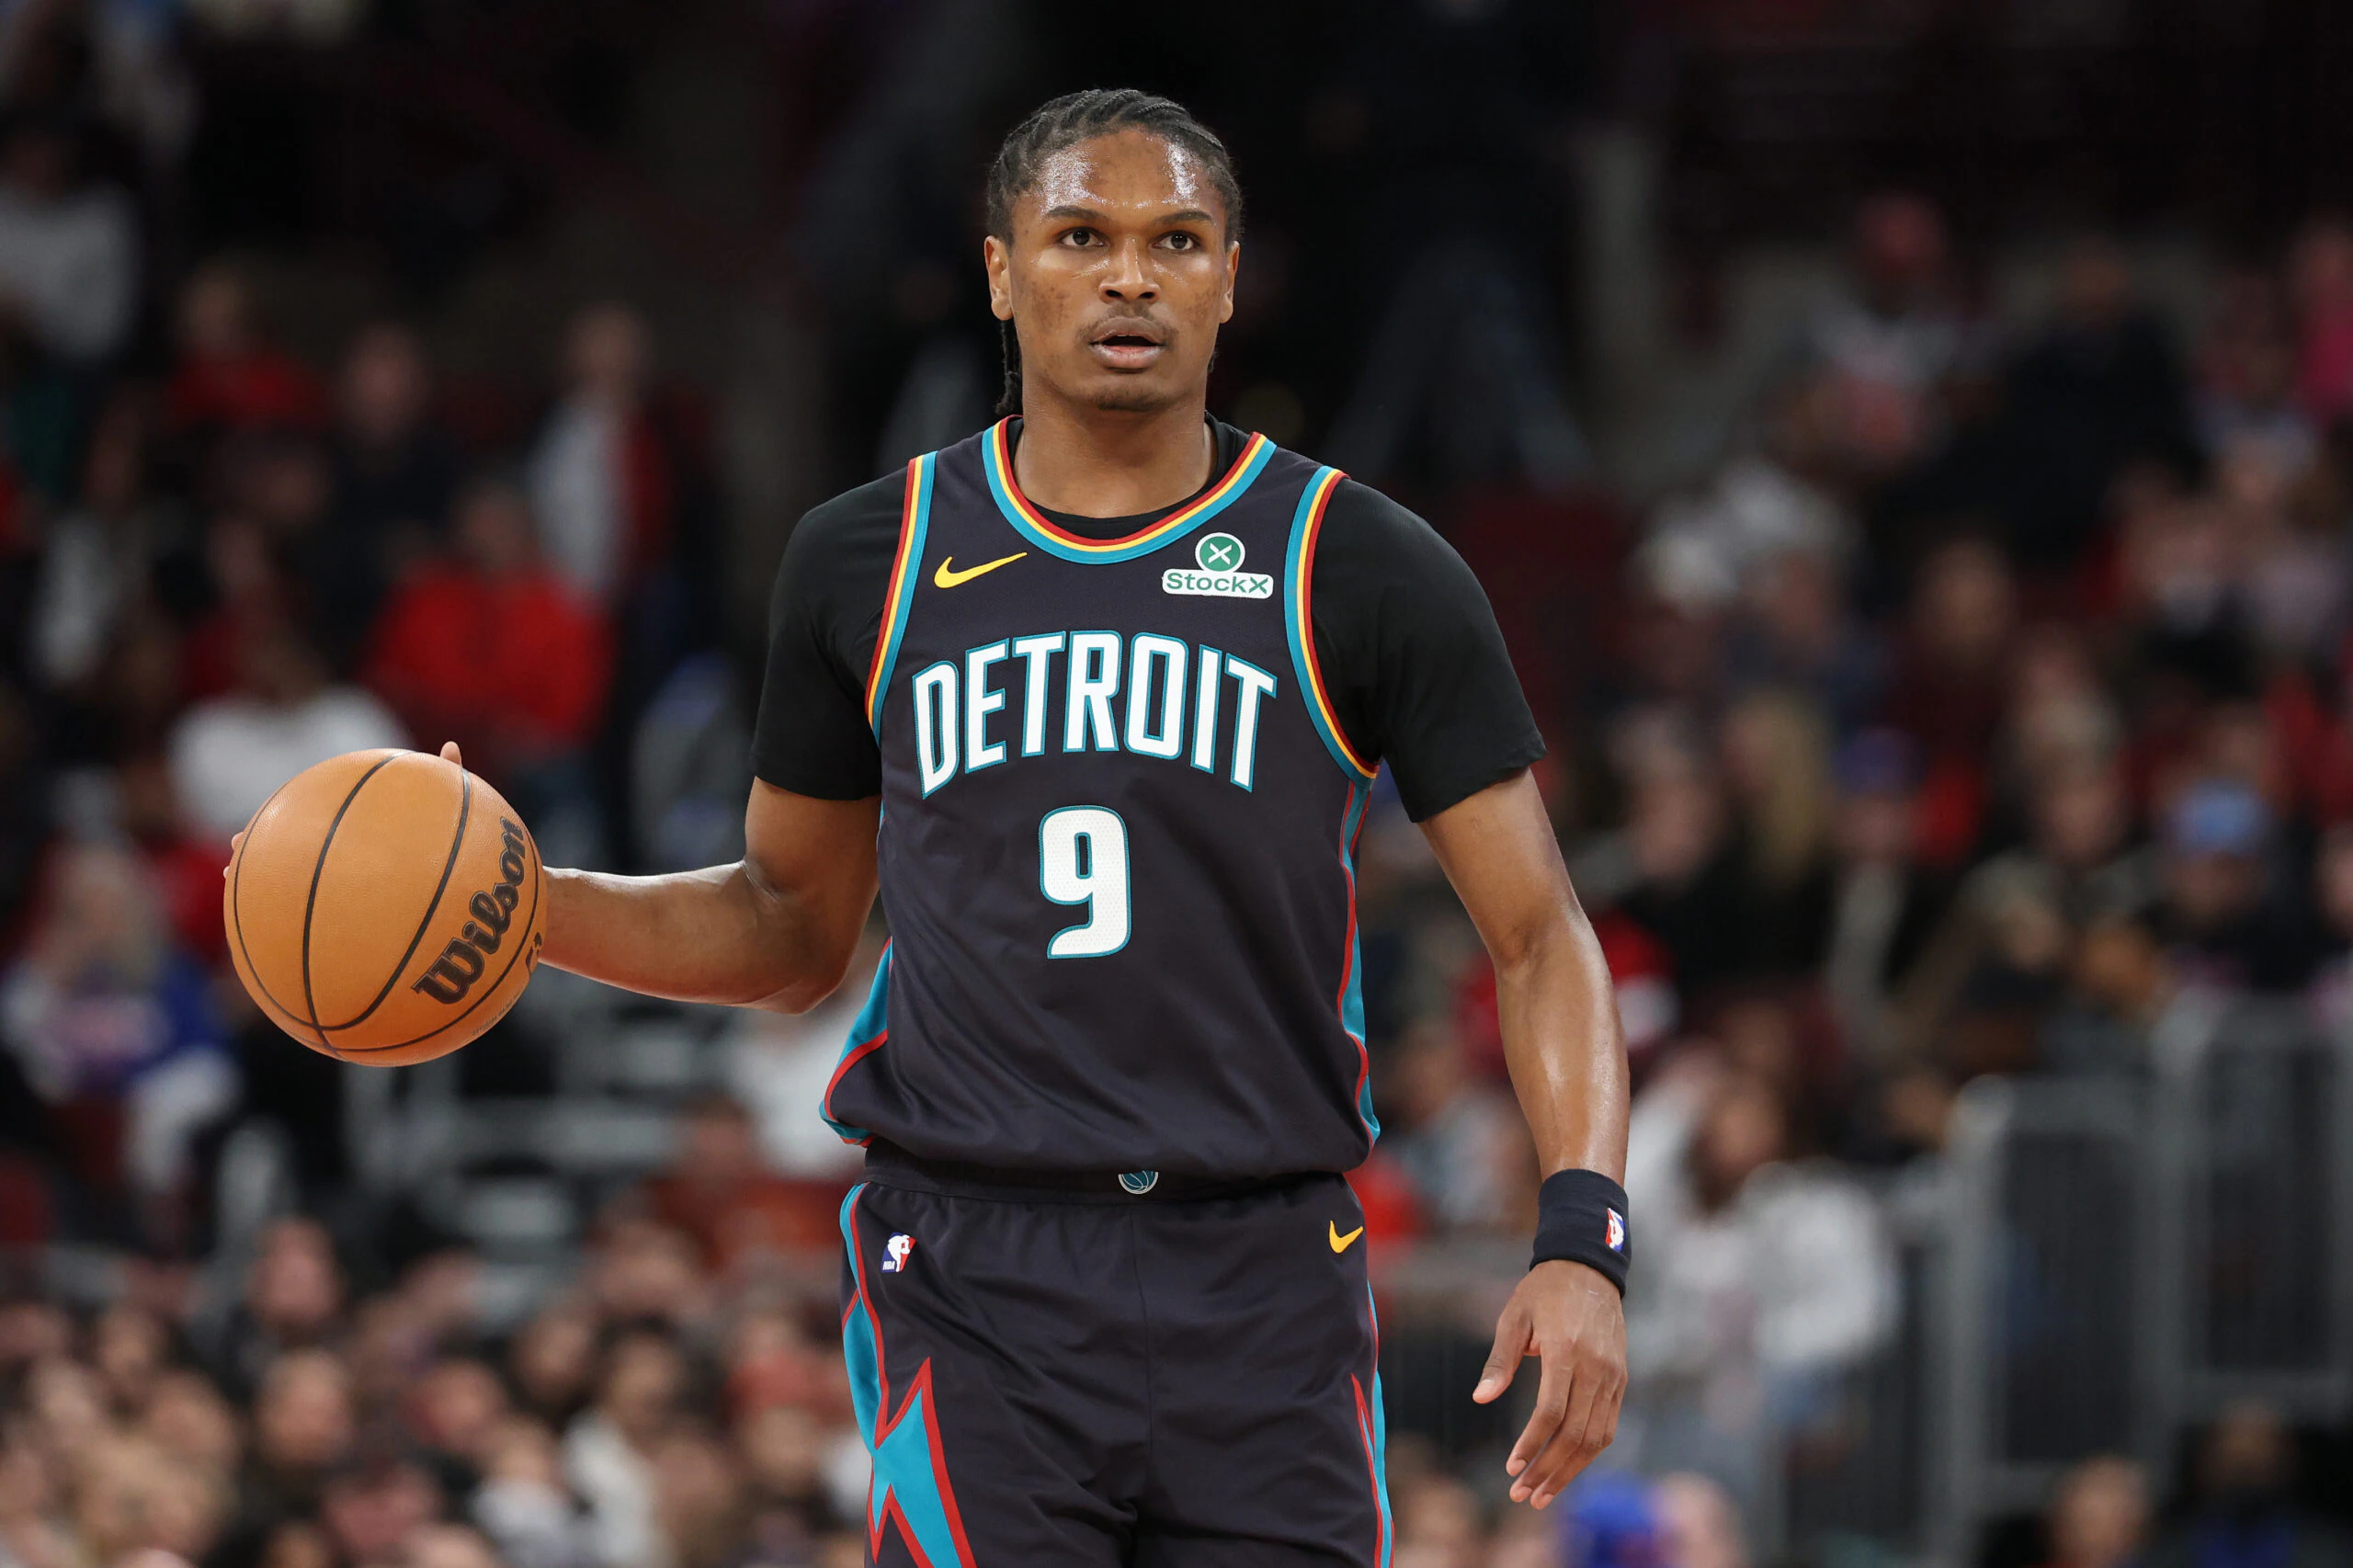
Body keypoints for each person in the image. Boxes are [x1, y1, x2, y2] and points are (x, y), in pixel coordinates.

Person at [329, 90, 1627, 1563]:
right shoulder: (865, 559)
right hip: (975, 1268)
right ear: (1003, 272)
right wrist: (533, 902)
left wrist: (1584, 1237)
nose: (1130, 276)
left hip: (1267, 1267)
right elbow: (789, 926)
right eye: (1081, 237)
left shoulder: (1362, 564)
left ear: (1229, 278)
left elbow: (1541, 934)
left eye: (1176, 241)